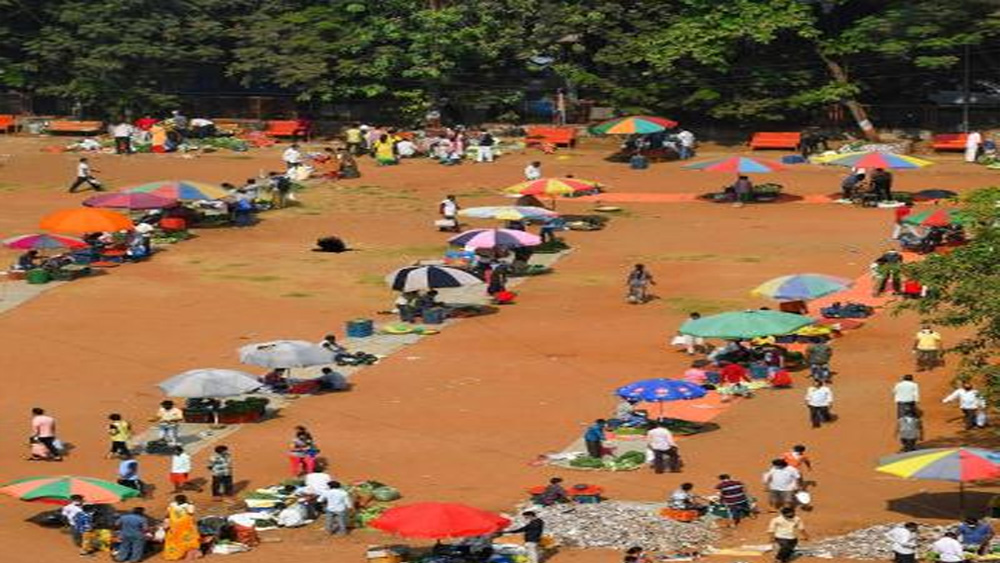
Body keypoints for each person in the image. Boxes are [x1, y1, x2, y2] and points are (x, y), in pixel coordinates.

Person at [163, 495, 200, 560]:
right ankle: (187, 554)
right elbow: (191, 513)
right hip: (186, 527)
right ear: (185, 500)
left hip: (174, 527)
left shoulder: (172, 505)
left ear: (176, 500)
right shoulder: (188, 506)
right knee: (188, 540)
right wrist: (191, 504)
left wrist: (166, 524)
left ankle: (174, 555)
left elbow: (167, 515)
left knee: (174, 541)